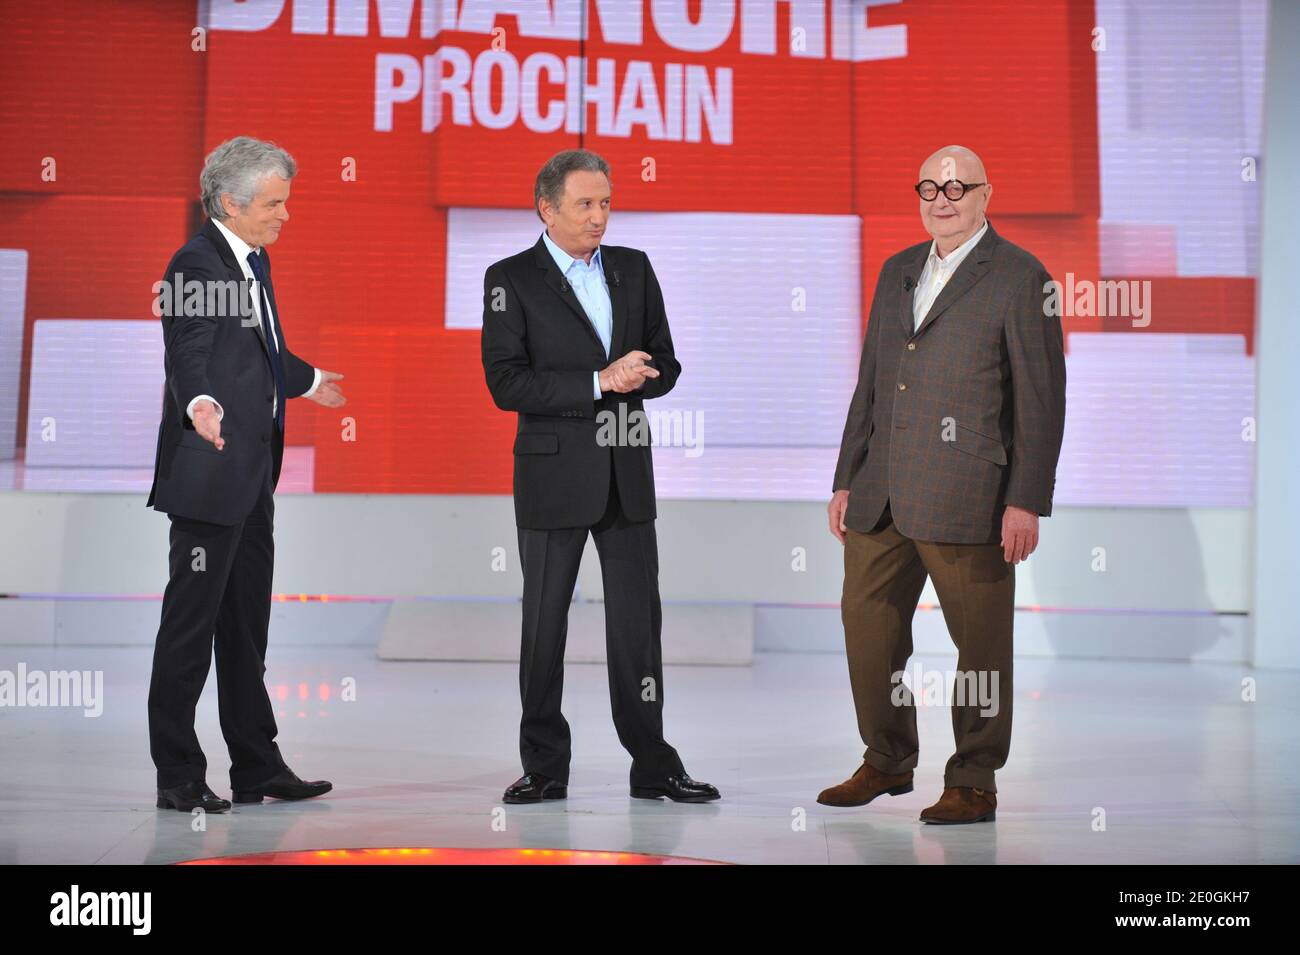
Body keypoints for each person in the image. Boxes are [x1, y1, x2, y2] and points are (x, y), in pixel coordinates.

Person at [820, 145, 1066, 824]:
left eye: (958, 186)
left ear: (986, 194)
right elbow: (871, 380)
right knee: (867, 627)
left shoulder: (1021, 276)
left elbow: (1042, 398)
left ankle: (974, 777)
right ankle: (887, 758)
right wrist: (846, 476)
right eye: (930, 186)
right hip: (882, 492)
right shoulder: (899, 269)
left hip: (971, 496)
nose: (943, 197)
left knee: (980, 646)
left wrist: (1026, 498)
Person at [480, 148, 719, 804]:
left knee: (638, 626)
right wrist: (597, 380)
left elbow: (666, 361)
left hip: (625, 473)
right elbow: (506, 382)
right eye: (585, 204)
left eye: (606, 202)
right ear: (547, 209)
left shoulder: (634, 270)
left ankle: (653, 763)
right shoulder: (509, 278)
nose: (599, 215)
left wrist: (646, 373)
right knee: (544, 626)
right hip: (553, 477)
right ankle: (544, 765)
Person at [146, 136, 346, 812]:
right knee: (190, 629)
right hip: (208, 478)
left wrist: (311, 378)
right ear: (230, 202)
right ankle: (177, 773)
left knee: (244, 627)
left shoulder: (252, 262)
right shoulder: (195, 265)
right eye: (274, 203)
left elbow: (264, 352)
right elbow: (190, 353)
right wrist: (199, 402)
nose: (286, 214)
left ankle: (257, 765)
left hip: (253, 478)